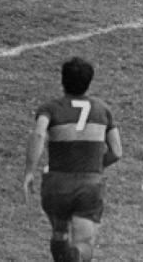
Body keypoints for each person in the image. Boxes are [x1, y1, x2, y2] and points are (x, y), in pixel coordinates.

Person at [24, 57, 123, 262]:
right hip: (89, 185)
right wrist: (96, 166)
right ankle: (77, 257)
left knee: (59, 233)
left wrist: (29, 172)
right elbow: (116, 151)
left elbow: (39, 135)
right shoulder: (103, 110)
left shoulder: (49, 109)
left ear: (62, 80)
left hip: (57, 184)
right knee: (84, 243)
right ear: (89, 82)